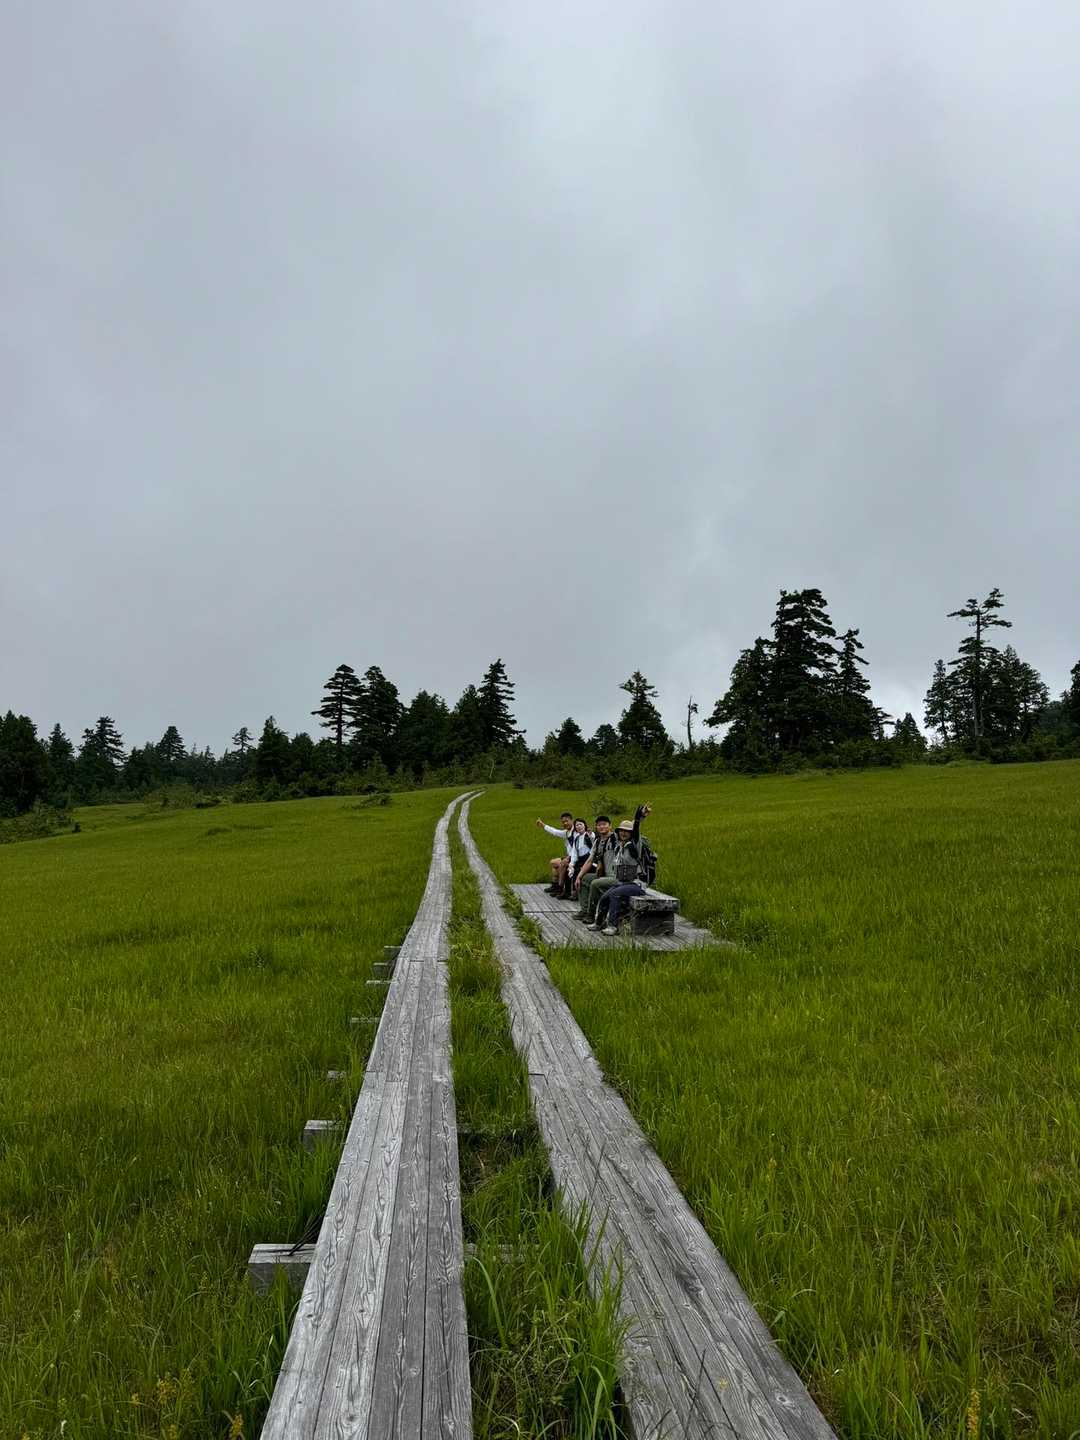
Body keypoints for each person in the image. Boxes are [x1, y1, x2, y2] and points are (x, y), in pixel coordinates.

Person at [589, 803, 653, 935]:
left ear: (631, 833)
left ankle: (613, 926)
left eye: (627, 831)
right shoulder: (619, 846)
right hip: (622, 883)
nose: (623, 833)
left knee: (615, 894)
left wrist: (639, 818)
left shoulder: (634, 845)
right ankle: (599, 923)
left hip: (636, 884)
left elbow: (636, 831)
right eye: (621, 831)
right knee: (605, 897)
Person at [573, 815, 617, 923]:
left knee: (595, 883)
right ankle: (584, 910)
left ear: (610, 826)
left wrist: (639, 818)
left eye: (604, 824)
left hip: (616, 876)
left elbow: (632, 833)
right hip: (604, 875)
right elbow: (589, 861)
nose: (602, 827)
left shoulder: (616, 838)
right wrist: (579, 876)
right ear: (596, 827)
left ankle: (591, 915)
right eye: (599, 825)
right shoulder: (597, 842)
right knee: (584, 878)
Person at [535, 811, 574, 894]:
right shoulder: (566, 832)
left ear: (571, 820)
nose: (565, 823)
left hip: (574, 858)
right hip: (570, 857)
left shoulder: (576, 831)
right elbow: (555, 832)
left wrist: (569, 857)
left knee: (558, 864)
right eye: (563, 822)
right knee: (553, 863)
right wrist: (543, 825)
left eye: (567, 821)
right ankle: (554, 885)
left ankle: (560, 887)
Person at [565, 819, 593, 897]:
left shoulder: (588, 835)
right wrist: (571, 864)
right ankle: (568, 892)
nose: (579, 826)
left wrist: (590, 834)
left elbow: (593, 839)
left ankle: (576, 892)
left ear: (585, 825)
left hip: (590, 860)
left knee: (578, 870)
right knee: (569, 869)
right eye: (577, 825)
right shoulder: (577, 838)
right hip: (580, 860)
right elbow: (574, 853)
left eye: (581, 824)